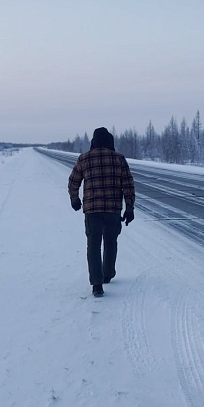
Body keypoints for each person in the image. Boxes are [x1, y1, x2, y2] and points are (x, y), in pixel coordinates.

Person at [68, 127, 135, 297]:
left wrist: (74, 199)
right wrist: (129, 208)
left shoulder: (84, 159)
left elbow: (73, 181)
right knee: (111, 242)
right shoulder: (119, 159)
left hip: (92, 210)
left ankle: (97, 284)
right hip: (113, 209)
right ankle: (108, 274)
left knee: (93, 245)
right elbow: (128, 185)